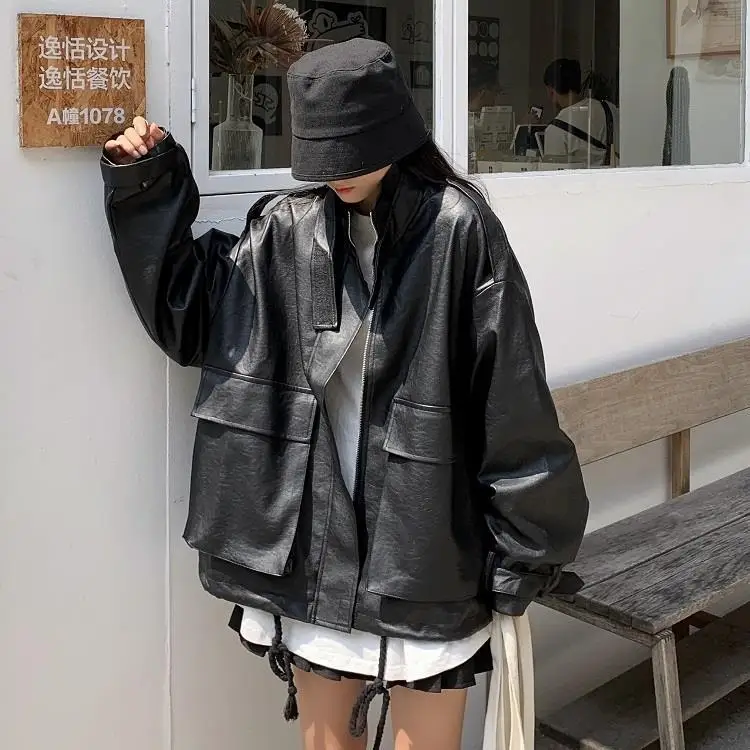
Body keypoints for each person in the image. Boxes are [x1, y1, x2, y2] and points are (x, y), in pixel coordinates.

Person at [101, 39, 589, 750]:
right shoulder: (286, 226)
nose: (339, 175)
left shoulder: (458, 228)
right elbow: (194, 317)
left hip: (423, 541)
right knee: (327, 741)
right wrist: (146, 183)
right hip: (314, 541)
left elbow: (509, 395)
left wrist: (525, 550)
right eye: (323, 159)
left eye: (353, 154)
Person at [542, 58, 620, 167]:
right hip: (619, 176)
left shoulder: (555, 129)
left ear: (551, 91)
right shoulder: (610, 108)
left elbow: (554, 173)